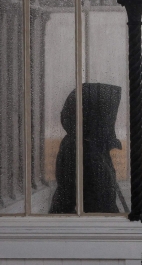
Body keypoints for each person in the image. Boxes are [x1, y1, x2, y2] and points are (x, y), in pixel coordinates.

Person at [49, 83, 124, 214]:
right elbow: (99, 203)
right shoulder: (83, 151)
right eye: (108, 115)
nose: (112, 121)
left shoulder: (88, 146)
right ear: (95, 116)